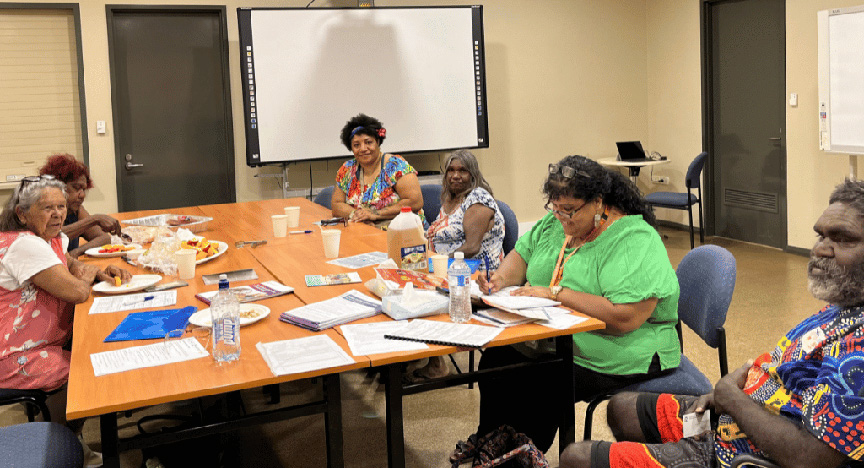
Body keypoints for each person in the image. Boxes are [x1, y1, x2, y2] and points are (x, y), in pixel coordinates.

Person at [560, 179, 864, 468]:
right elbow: (785, 368)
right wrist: (734, 390)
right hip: (740, 417)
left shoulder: (859, 348)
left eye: (843, 239)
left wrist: (730, 396)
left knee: (577, 457)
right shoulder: (843, 307)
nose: (821, 248)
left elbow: (810, 458)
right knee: (622, 408)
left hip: (742, 454)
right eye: (821, 235)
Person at [467, 155, 680, 454]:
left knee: (541, 380)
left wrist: (556, 293)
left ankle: (521, 456)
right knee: (497, 358)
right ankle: (491, 446)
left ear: (598, 202)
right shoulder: (556, 225)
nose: (562, 218)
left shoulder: (634, 239)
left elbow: (626, 318)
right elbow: (522, 256)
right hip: (560, 334)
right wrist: (499, 280)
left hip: (625, 347)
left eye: (570, 211)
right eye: (556, 209)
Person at [0, 175, 131, 427]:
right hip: (13, 355)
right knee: (93, 370)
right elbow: (78, 293)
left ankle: (68, 438)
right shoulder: (25, 245)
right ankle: (60, 443)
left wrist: (98, 273)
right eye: (47, 207)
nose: (58, 214)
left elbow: (72, 265)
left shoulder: (51, 239)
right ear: (22, 213)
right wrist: (87, 278)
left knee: (97, 349)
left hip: (42, 342)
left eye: (61, 206)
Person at [331, 114, 425, 227]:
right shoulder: (347, 169)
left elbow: (415, 202)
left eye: (368, 142)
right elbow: (336, 205)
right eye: (356, 145)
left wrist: (375, 214)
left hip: (402, 231)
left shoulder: (395, 165)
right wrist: (357, 215)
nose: (363, 149)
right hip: (364, 229)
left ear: (378, 142)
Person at [426, 149, 505, 270]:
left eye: (462, 171)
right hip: (446, 268)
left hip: (475, 275)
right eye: (451, 170)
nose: (455, 176)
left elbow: (472, 247)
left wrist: (440, 263)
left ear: (473, 175)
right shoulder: (453, 198)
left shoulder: (478, 199)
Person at [39, 153, 122, 257]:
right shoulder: (41, 210)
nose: (82, 194)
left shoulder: (76, 210)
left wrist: (77, 252)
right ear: (57, 186)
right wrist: (93, 219)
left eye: (83, 189)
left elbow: (104, 238)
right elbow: (51, 236)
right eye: (76, 187)